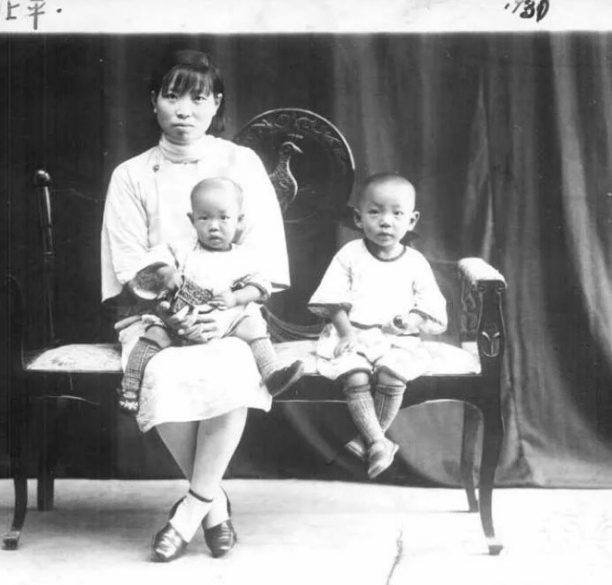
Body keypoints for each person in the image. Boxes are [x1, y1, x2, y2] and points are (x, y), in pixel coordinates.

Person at [101, 49, 290, 562]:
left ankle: (191, 509)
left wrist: (223, 315)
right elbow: (130, 264)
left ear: (216, 104)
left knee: (233, 366)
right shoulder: (131, 175)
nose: (184, 110)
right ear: (153, 102)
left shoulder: (240, 163)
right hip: (156, 315)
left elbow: (262, 254)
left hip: (233, 312)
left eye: (198, 98)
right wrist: (175, 312)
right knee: (161, 370)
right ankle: (213, 504)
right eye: (172, 96)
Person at [116, 176, 305, 414]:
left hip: (224, 321)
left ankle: (271, 374)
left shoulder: (242, 257)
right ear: (192, 219)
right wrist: (167, 272)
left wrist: (236, 297)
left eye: (223, 218)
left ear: (239, 220)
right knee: (153, 333)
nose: (214, 226)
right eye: (204, 218)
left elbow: (260, 287)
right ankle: (130, 386)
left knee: (252, 325)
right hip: (179, 318)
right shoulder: (181, 249)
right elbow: (152, 264)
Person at [307, 173, 448, 479]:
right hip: (352, 333)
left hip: (396, 340)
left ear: (412, 220)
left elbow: (428, 305)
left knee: (393, 374)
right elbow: (333, 300)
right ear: (358, 218)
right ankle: (379, 442)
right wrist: (346, 333)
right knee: (354, 375)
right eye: (375, 212)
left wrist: (409, 321)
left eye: (397, 214)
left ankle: (370, 441)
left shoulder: (415, 262)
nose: (386, 222)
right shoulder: (349, 255)